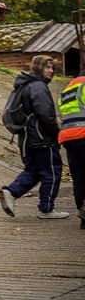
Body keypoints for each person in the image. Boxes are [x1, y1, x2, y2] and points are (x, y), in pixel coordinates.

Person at [0, 55, 70, 220]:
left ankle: (10, 192)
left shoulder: (24, 85)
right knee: (52, 172)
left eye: (52, 68)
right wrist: (56, 135)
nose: (51, 71)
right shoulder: (38, 86)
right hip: (41, 138)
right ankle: (46, 209)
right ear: (38, 67)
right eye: (47, 67)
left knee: (34, 171)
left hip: (25, 138)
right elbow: (46, 115)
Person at [56, 69, 85, 229]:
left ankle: (83, 215)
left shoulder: (69, 87)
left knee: (79, 176)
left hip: (68, 137)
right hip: (83, 133)